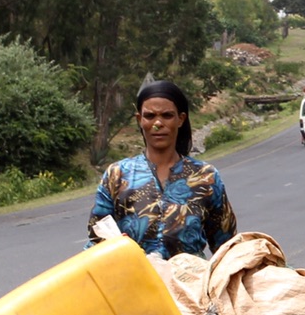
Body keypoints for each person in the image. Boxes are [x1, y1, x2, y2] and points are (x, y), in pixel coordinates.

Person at [89, 80, 236, 258]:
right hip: (134, 282)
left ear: (181, 119)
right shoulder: (118, 175)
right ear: (139, 120)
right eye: (150, 116)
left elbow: (227, 247)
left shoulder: (205, 177)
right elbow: (97, 241)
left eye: (167, 115)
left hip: (190, 283)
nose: (158, 124)